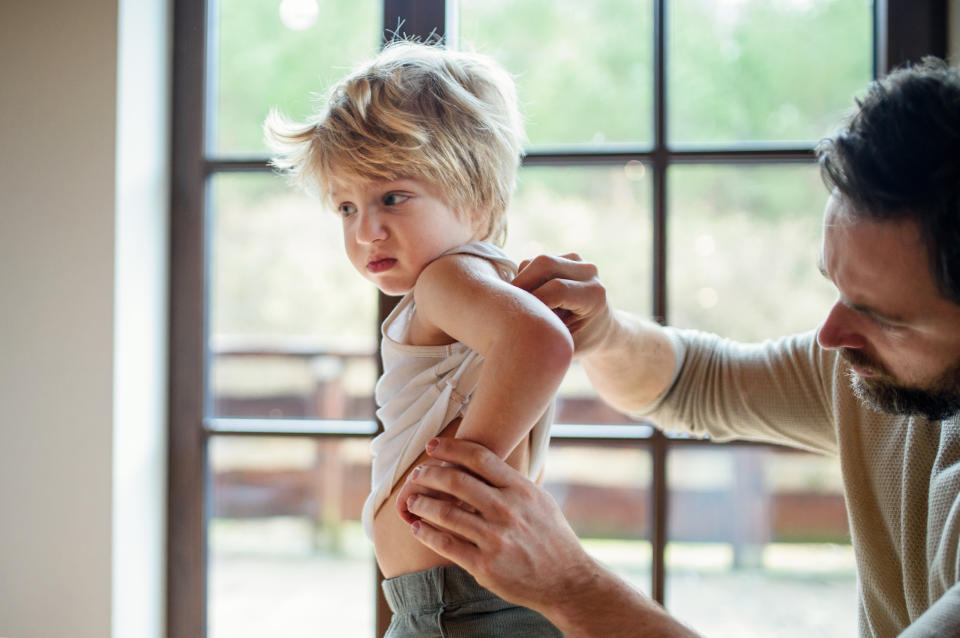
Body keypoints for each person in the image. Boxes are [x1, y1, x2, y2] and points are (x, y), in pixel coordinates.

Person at [400, 57, 960, 637]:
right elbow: (698, 382)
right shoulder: (871, 370)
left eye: (881, 316)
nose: (831, 335)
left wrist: (573, 587)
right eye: (835, 286)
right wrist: (606, 333)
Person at [265, 41, 572, 636]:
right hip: (454, 600)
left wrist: (457, 480)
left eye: (392, 198)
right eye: (347, 208)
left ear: (479, 199)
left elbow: (542, 344)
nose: (367, 231)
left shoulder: (447, 279)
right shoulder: (468, 282)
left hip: (459, 605)